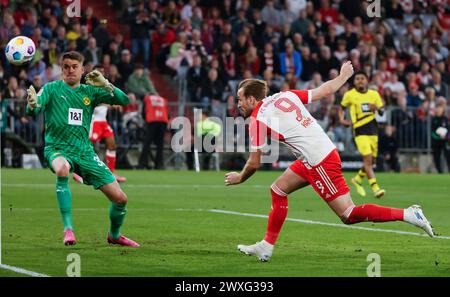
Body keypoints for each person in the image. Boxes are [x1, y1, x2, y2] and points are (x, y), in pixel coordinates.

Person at [225, 62, 434, 262]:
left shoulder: (257, 120)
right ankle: (266, 246)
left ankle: (408, 214)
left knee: (348, 214)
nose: (238, 104)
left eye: (240, 99)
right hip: (315, 155)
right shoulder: (285, 95)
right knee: (278, 190)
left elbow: (254, 163)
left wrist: (240, 177)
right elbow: (324, 90)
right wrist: (343, 76)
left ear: (252, 99)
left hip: (318, 161)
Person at [25, 51, 139, 247]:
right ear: (61, 70)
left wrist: (107, 84)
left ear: (82, 69)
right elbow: (34, 107)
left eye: (74, 67)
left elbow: (125, 101)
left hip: (85, 152)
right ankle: (68, 230)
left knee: (120, 199)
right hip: (57, 148)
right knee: (62, 169)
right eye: (66, 67)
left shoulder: (90, 92)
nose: (70, 70)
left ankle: (114, 235)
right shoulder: (51, 88)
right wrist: (32, 105)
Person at [73, 65, 126, 183]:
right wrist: (108, 105)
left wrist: (113, 103)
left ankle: (111, 172)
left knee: (112, 145)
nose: (101, 74)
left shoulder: (104, 87)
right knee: (86, 147)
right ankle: (78, 172)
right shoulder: (88, 87)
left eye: (102, 72)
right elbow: (88, 104)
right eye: (98, 72)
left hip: (103, 122)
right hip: (93, 121)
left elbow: (113, 98)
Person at [339, 71, 386, 198]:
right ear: (354, 82)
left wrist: (376, 108)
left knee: (372, 161)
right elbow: (341, 108)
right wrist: (342, 120)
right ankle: (375, 188)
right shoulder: (349, 95)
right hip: (359, 131)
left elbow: (382, 112)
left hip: (373, 130)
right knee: (368, 160)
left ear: (367, 80)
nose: (360, 80)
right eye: (357, 79)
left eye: (362, 78)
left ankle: (357, 179)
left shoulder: (374, 94)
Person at [138, 94, 169, 169]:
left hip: (152, 121)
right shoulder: (163, 99)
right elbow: (167, 113)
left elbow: (143, 112)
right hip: (163, 121)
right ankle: (159, 165)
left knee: (147, 143)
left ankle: (142, 164)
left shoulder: (147, 98)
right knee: (160, 145)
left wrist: (146, 121)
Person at [431, 104, 450, 173]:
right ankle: (439, 171)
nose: (438, 110)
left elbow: (448, 130)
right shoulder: (434, 119)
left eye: (440, 109)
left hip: (445, 141)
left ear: (443, 110)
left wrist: (447, 136)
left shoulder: (445, 119)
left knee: (448, 156)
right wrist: (438, 136)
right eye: (437, 109)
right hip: (436, 141)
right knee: (436, 157)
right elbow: (432, 132)